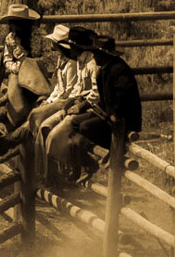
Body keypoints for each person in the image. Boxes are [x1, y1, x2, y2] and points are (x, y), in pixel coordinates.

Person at [47, 34, 142, 188]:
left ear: (104, 55)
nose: (94, 56)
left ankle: (115, 147)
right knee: (76, 123)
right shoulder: (104, 68)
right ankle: (90, 156)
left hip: (123, 117)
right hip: (108, 113)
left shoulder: (119, 70)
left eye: (96, 54)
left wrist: (111, 114)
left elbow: (124, 99)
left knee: (85, 127)